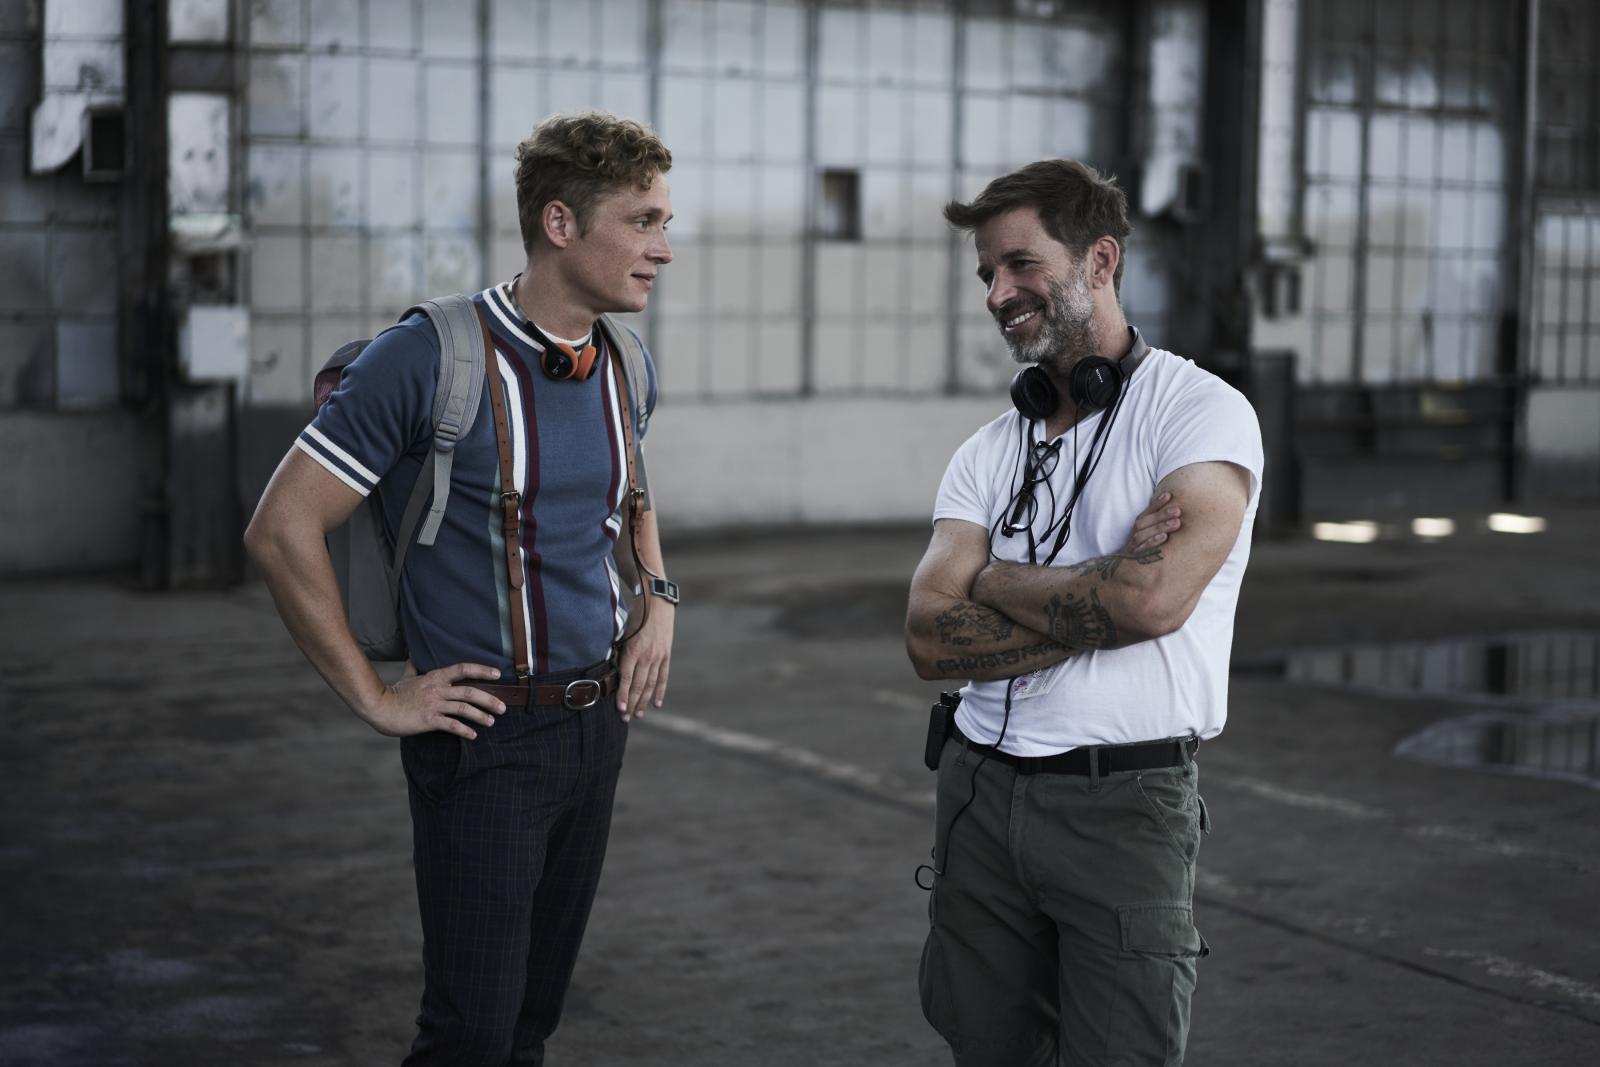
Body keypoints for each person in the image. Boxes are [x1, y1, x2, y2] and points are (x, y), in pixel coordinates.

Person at [244, 111, 678, 1066]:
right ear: (559, 222)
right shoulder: (430, 356)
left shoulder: (626, 363)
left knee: (529, 1023)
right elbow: (280, 527)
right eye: (643, 221)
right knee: (470, 1036)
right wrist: (375, 695)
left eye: (664, 223)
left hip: (597, 727)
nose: (664, 248)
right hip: (485, 738)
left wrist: (659, 600)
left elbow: (632, 491)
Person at [904, 159, 1263, 1067]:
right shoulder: (989, 449)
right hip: (979, 795)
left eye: (1021, 264)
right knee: (986, 1046)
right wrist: (1094, 593)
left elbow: (1151, 599)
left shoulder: (1198, 415)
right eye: (987, 273)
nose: (998, 293)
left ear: (1100, 260)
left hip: (1122, 805)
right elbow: (928, 636)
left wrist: (992, 579)